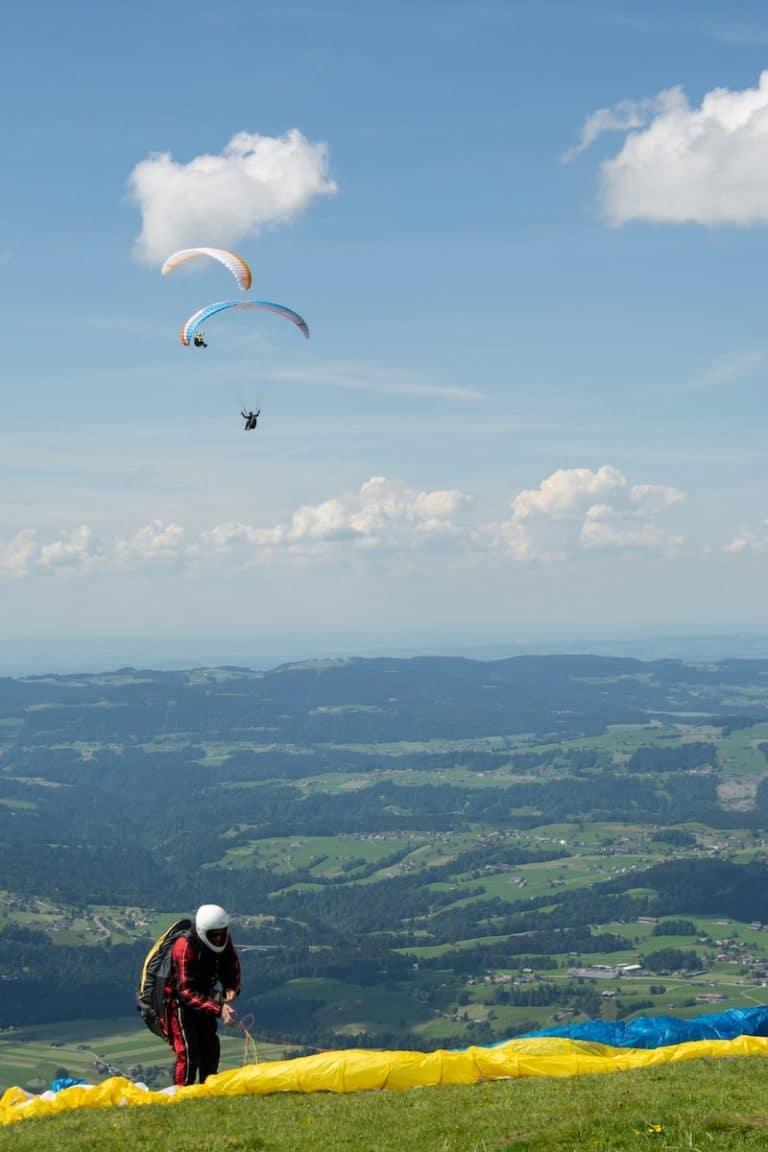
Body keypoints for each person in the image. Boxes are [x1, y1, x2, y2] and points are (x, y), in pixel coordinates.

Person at [165, 903, 241, 1086]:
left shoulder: (225, 940)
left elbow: (232, 967)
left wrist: (231, 988)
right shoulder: (184, 947)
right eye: (213, 935)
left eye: (221, 934)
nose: (218, 938)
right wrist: (219, 1009)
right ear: (202, 932)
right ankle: (183, 1095)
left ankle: (208, 1091)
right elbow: (185, 991)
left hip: (205, 996)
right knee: (189, 1053)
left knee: (210, 1049)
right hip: (179, 1003)